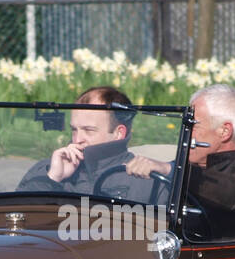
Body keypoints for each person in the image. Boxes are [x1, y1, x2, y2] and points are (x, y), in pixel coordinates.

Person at [126, 83, 235, 240]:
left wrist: (172, 171)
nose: (185, 134)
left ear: (224, 131)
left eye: (193, 127)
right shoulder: (193, 164)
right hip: (189, 255)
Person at [18, 87, 163, 203]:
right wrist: (53, 178)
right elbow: (16, 220)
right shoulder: (46, 170)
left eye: (89, 130)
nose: (78, 139)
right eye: (74, 129)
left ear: (118, 133)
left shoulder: (148, 180)